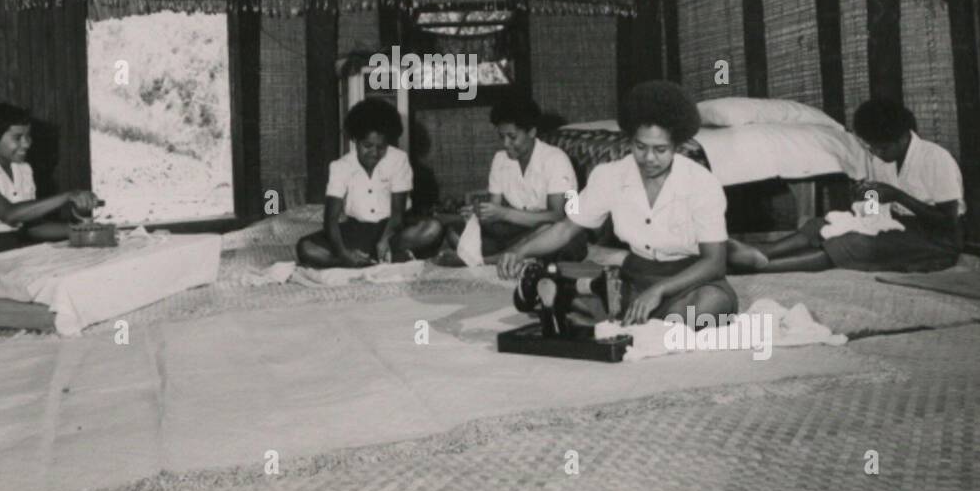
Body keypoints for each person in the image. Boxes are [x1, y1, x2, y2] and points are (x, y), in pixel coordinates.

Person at [497, 80, 737, 328]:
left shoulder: (702, 183)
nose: (649, 158)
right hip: (635, 276)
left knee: (710, 306)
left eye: (661, 150)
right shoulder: (608, 176)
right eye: (640, 147)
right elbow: (567, 227)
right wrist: (520, 251)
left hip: (689, 280)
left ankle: (610, 315)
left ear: (677, 146)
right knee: (601, 293)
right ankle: (619, 315)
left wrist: (659, 291)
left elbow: (714, 262)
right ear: (630, 140)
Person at [726, 98, 964, 274]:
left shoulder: (935, 159)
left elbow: (947, 222)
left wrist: (898, 196)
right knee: (822, 224)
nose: (876, 154)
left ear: (903, 137)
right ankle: (761, 251)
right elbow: (875, 206)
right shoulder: (882, 158)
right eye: (871, 148)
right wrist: (865, 200)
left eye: (882, 148)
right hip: (895, 223)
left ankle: (759, 268)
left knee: (850, 244)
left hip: (936, 239)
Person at [0, 103, 100, 268]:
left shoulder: (22, 169)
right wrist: (68, 196)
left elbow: (32, 227)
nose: (26, 144)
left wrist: (82, 230)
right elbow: (9, 214)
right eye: (17, 137)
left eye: (28, 136)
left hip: (10, 245)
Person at [295, 98, 443, 268]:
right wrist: (343, 253)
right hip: (355, 231)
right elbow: (331, 219)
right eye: (367, 146)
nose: (374, 153)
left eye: (381, 147)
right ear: (355, 141)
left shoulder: (398, 160)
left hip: (392, 229)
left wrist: (384, 240)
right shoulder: (340, 167)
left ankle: (377, 255)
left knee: (433, 228)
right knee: (305, 247)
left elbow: (397, 214)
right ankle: (361, 261)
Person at [459, 96, 586, 261]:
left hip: (555, 231)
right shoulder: (500, 159)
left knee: (557, 237)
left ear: (532, 132)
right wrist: (479, 213)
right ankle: (507, 253)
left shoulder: (557, 159)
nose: (505, 144)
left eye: (512, 137)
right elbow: (495, 209)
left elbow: (560, 216)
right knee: (457, 232)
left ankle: (495, 258)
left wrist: (504, 214)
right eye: (501, 136)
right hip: (516, 231)